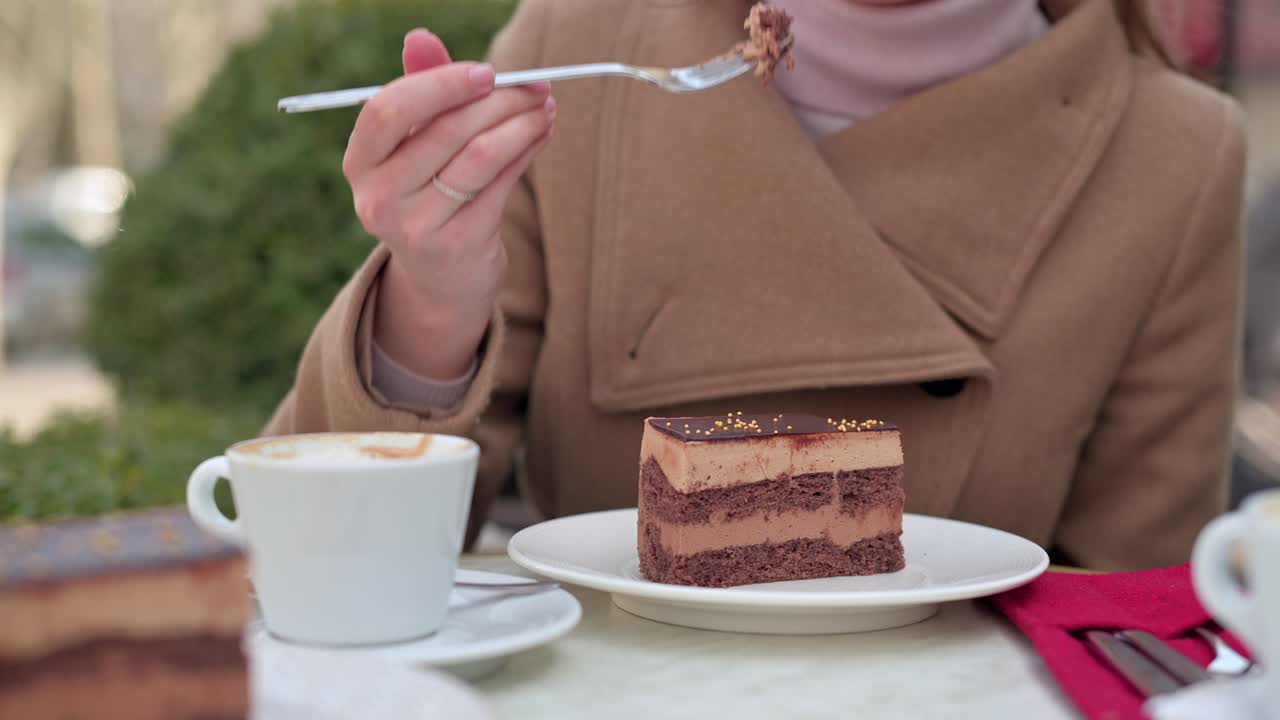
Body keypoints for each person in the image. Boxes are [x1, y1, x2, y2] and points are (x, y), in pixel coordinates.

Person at [265, 0, 1247, 571]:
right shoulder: (582, 40)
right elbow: (325, 561)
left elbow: (1128, 629)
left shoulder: (1171, 155)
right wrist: (432, 295)